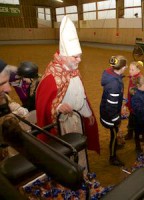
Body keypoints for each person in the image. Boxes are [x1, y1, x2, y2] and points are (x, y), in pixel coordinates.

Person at [35, 16, 100, 159]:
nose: (79, 60)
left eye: (80, 56)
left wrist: (87, 113)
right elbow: (44, 104)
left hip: (77, 119)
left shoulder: (74, 70)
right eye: (75, 57)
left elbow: (81, 95)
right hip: (62, 124)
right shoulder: (52, 76)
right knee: (66, 153)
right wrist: (58, 107)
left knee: (80, 151)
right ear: (64, 57)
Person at [100, 55, 127, 166]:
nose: (127, 67)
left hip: (107, 111)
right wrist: (116, 119)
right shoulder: (114, 85)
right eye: (125, 65)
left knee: (114, 133)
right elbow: (111, 107)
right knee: (114, 134)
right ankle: (112, 157)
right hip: (110, 116)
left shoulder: (110, 73)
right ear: (121, 68)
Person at [124, 61, 143, 140]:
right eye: (130, 69)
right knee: (132, 119)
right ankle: (131, 133)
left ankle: (133, 133)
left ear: (138, 70)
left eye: (132, 70)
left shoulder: (139, 79)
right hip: (132, 103)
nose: (130, 71)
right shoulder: (133, 77)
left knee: (134, 119)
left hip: (136, 105)